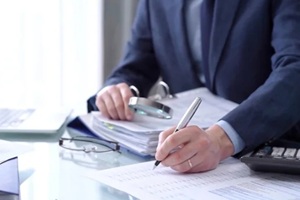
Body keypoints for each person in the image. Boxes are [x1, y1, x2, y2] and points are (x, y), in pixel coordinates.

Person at [87, 0, 300, 173]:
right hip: (188, 164)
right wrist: (116, 88)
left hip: (271, 155)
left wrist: (221, 139)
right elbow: (135, 66)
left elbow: (294, 70)